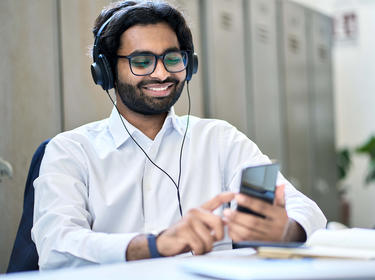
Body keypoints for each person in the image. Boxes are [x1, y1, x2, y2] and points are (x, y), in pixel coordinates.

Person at [32, 0, 326, 270]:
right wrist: (153, 245)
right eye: (142, 61)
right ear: (105, 71)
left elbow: (305, 209)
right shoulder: (70, 151)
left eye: (172, 59)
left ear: (190, 65)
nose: (161, 74)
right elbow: (57, 246)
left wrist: (284, 229)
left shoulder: (220, 140)